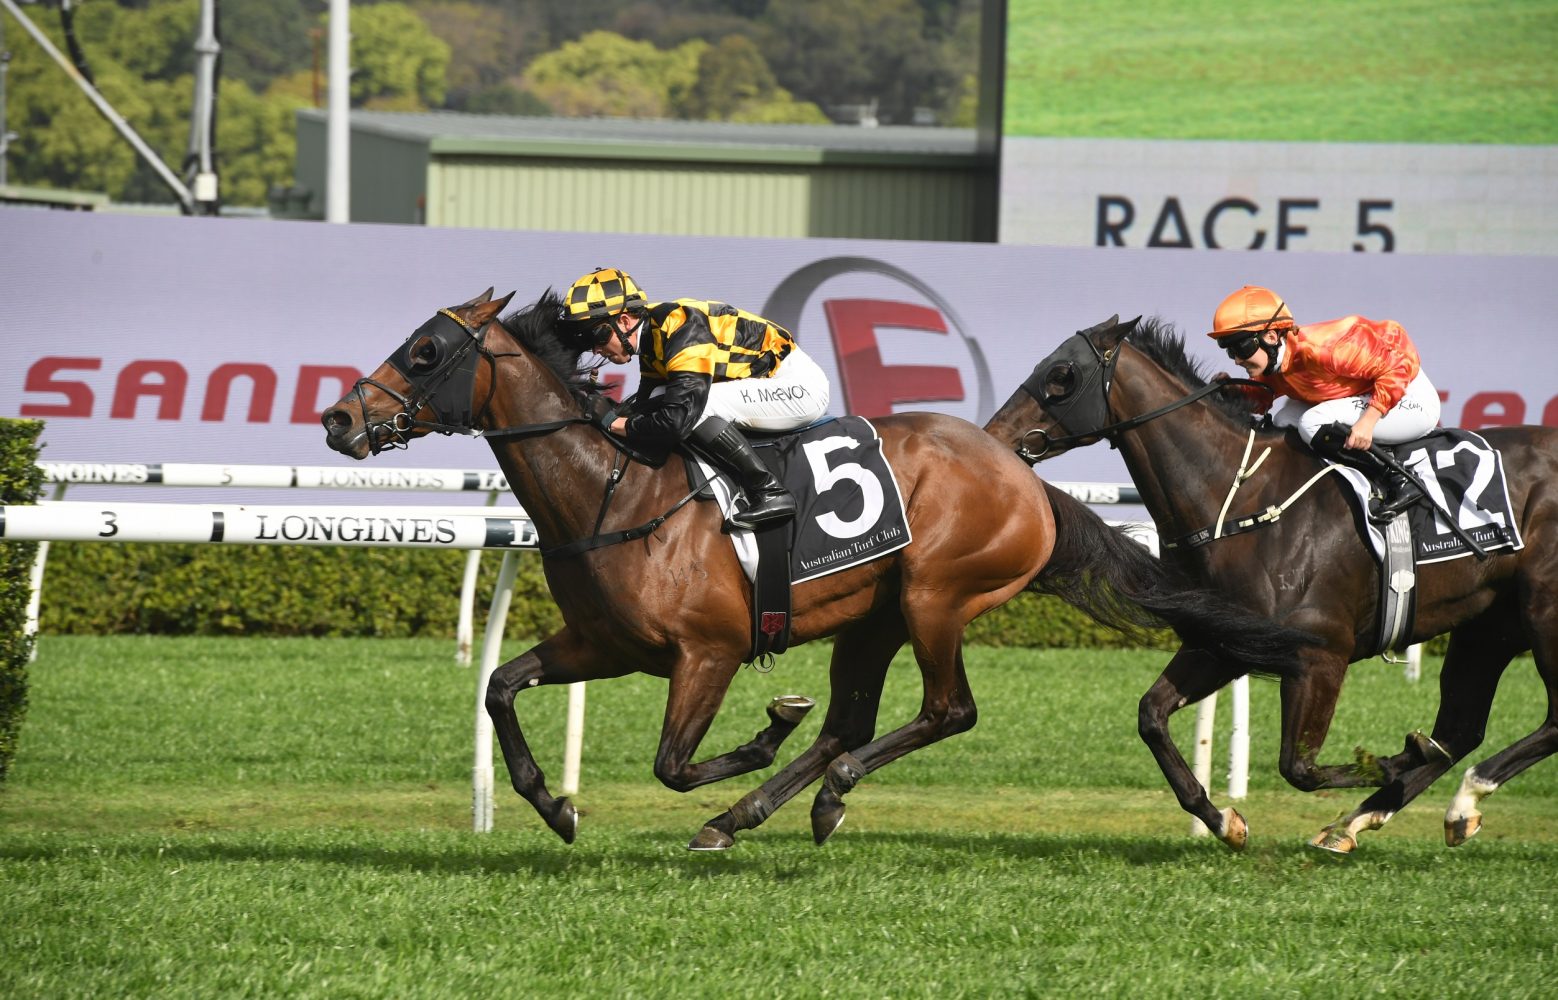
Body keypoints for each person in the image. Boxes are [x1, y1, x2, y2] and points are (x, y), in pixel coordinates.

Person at [558, 266, 831, 531]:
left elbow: (679, 418)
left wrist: (612, 423)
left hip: (799, 388)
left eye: (598, 334)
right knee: (655, 402)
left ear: (625, 321)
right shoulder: (653, 335)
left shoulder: (682, 328)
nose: (595, 347)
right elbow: (644, 405)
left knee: (698, 405)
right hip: (765, 383)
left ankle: (768, 490)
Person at [1208, 284, 1441, 521]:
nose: (1237, 360)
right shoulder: (1277, 363)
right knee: (1284, 420)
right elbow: (1262, 397)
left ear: (1270, 336)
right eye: (1230, 351)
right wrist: (1233, 394)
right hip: (1365, 393)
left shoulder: (1325, 350)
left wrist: (1369, 420)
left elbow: (1398, 365)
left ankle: (1399, 479)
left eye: (1240, 347)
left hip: (1408, 397)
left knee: (1312, 422)